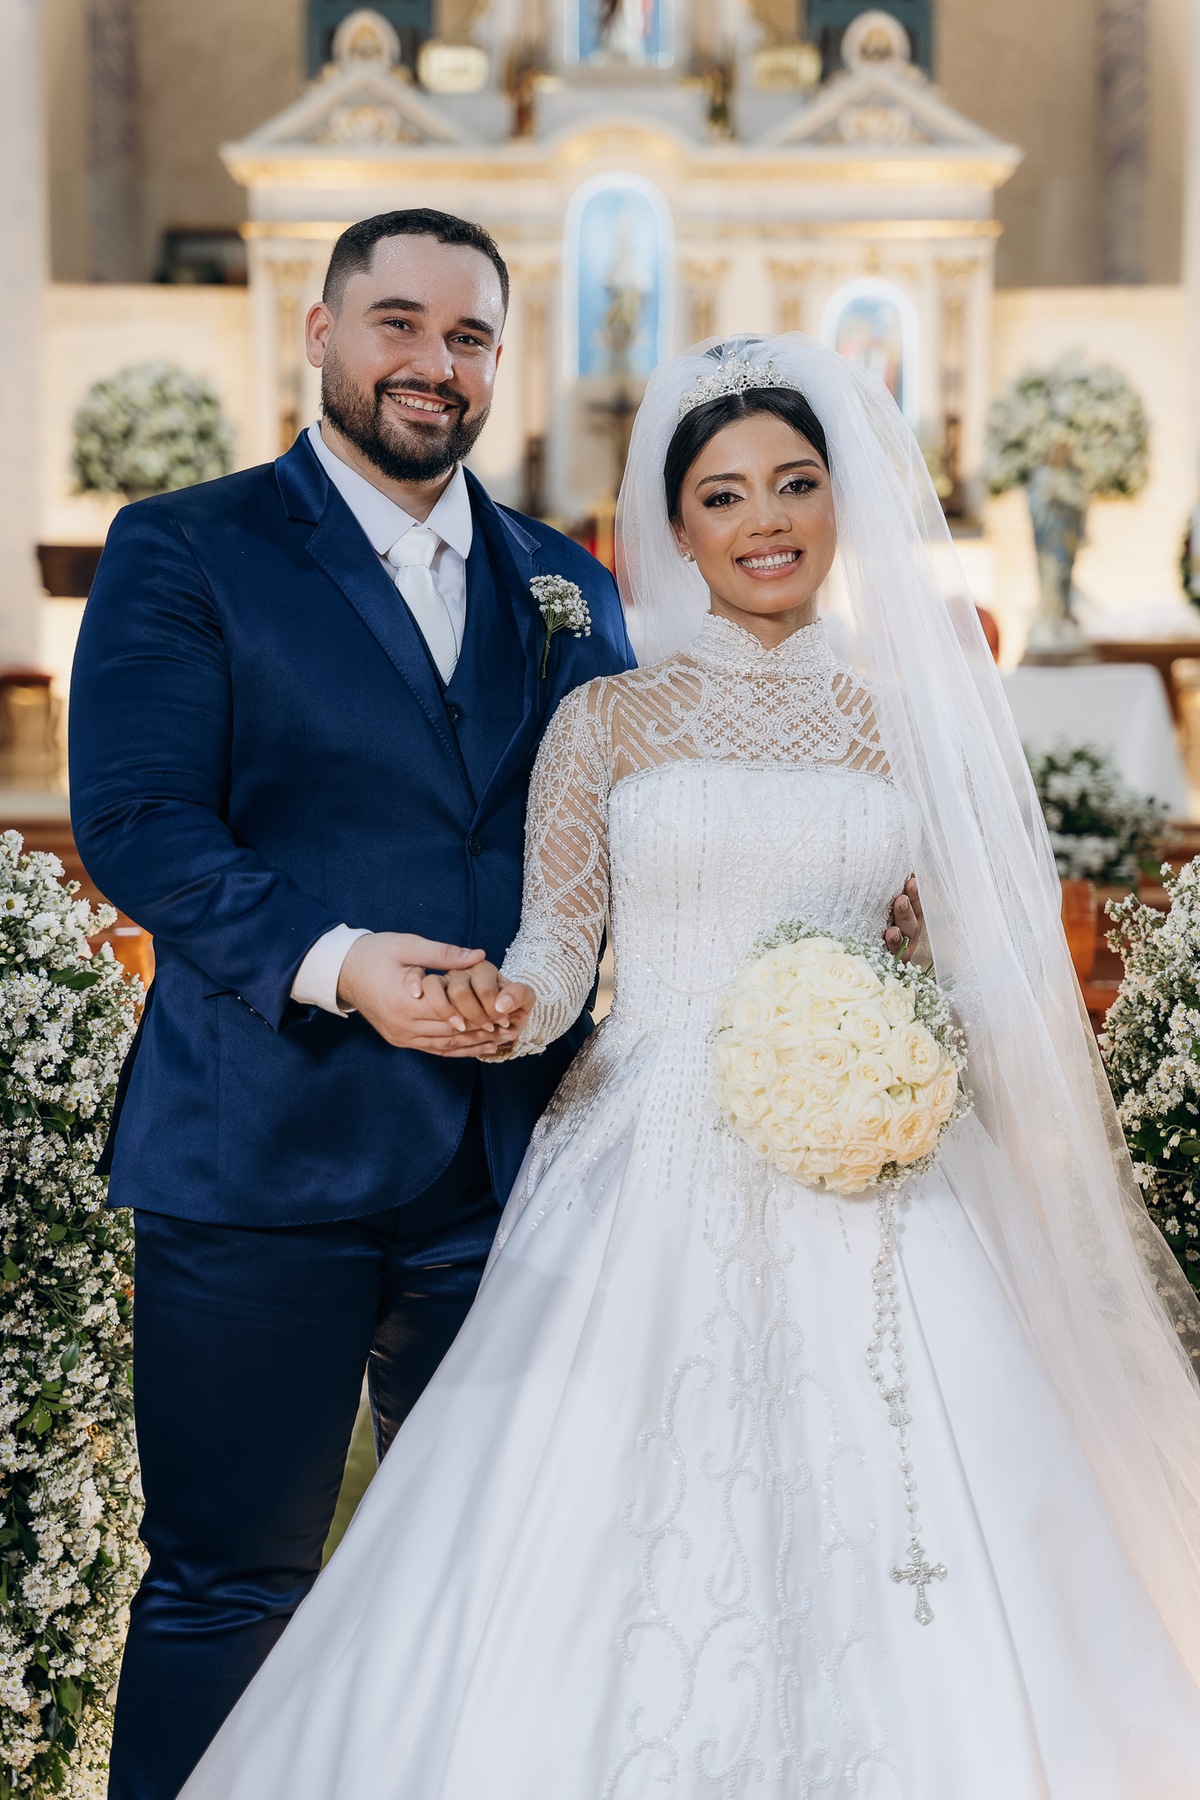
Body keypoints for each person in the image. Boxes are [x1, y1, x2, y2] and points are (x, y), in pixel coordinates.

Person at [179, 335, 1200, 1798]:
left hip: (876, 1168)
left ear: (842, 500)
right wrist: (470, 1007)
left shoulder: (906, 718)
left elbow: (967, 965)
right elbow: (554, 957)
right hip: (643, 1138)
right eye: (723, 496)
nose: (765, 520)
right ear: (674, 528)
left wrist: (908, 1032)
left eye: (795, 483)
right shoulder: (608, 717)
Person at [67, 208, 637, 1800]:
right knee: (231, 1587)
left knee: (492, 1590)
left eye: (466, 337)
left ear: (497, 364)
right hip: (260, 1158)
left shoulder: (565, 583)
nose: (430, 364)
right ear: (319, 335)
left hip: (507, 1173)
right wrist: (341, 962)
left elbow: (633, 826)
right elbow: (142, 822)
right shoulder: (186, 548)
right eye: (396, 323)